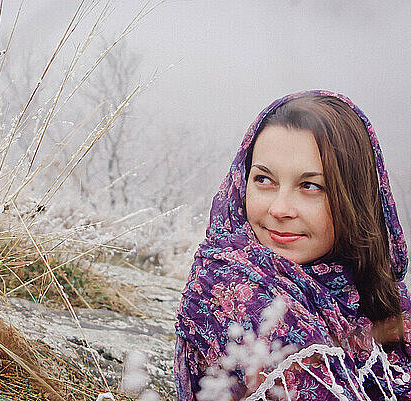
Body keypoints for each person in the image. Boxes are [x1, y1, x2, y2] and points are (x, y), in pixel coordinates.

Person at [174, 90, 411, 400]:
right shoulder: (229, 288)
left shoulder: (368, 290)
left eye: (310, 185)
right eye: (264, 180)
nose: (279, 209)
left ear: (355, 197)